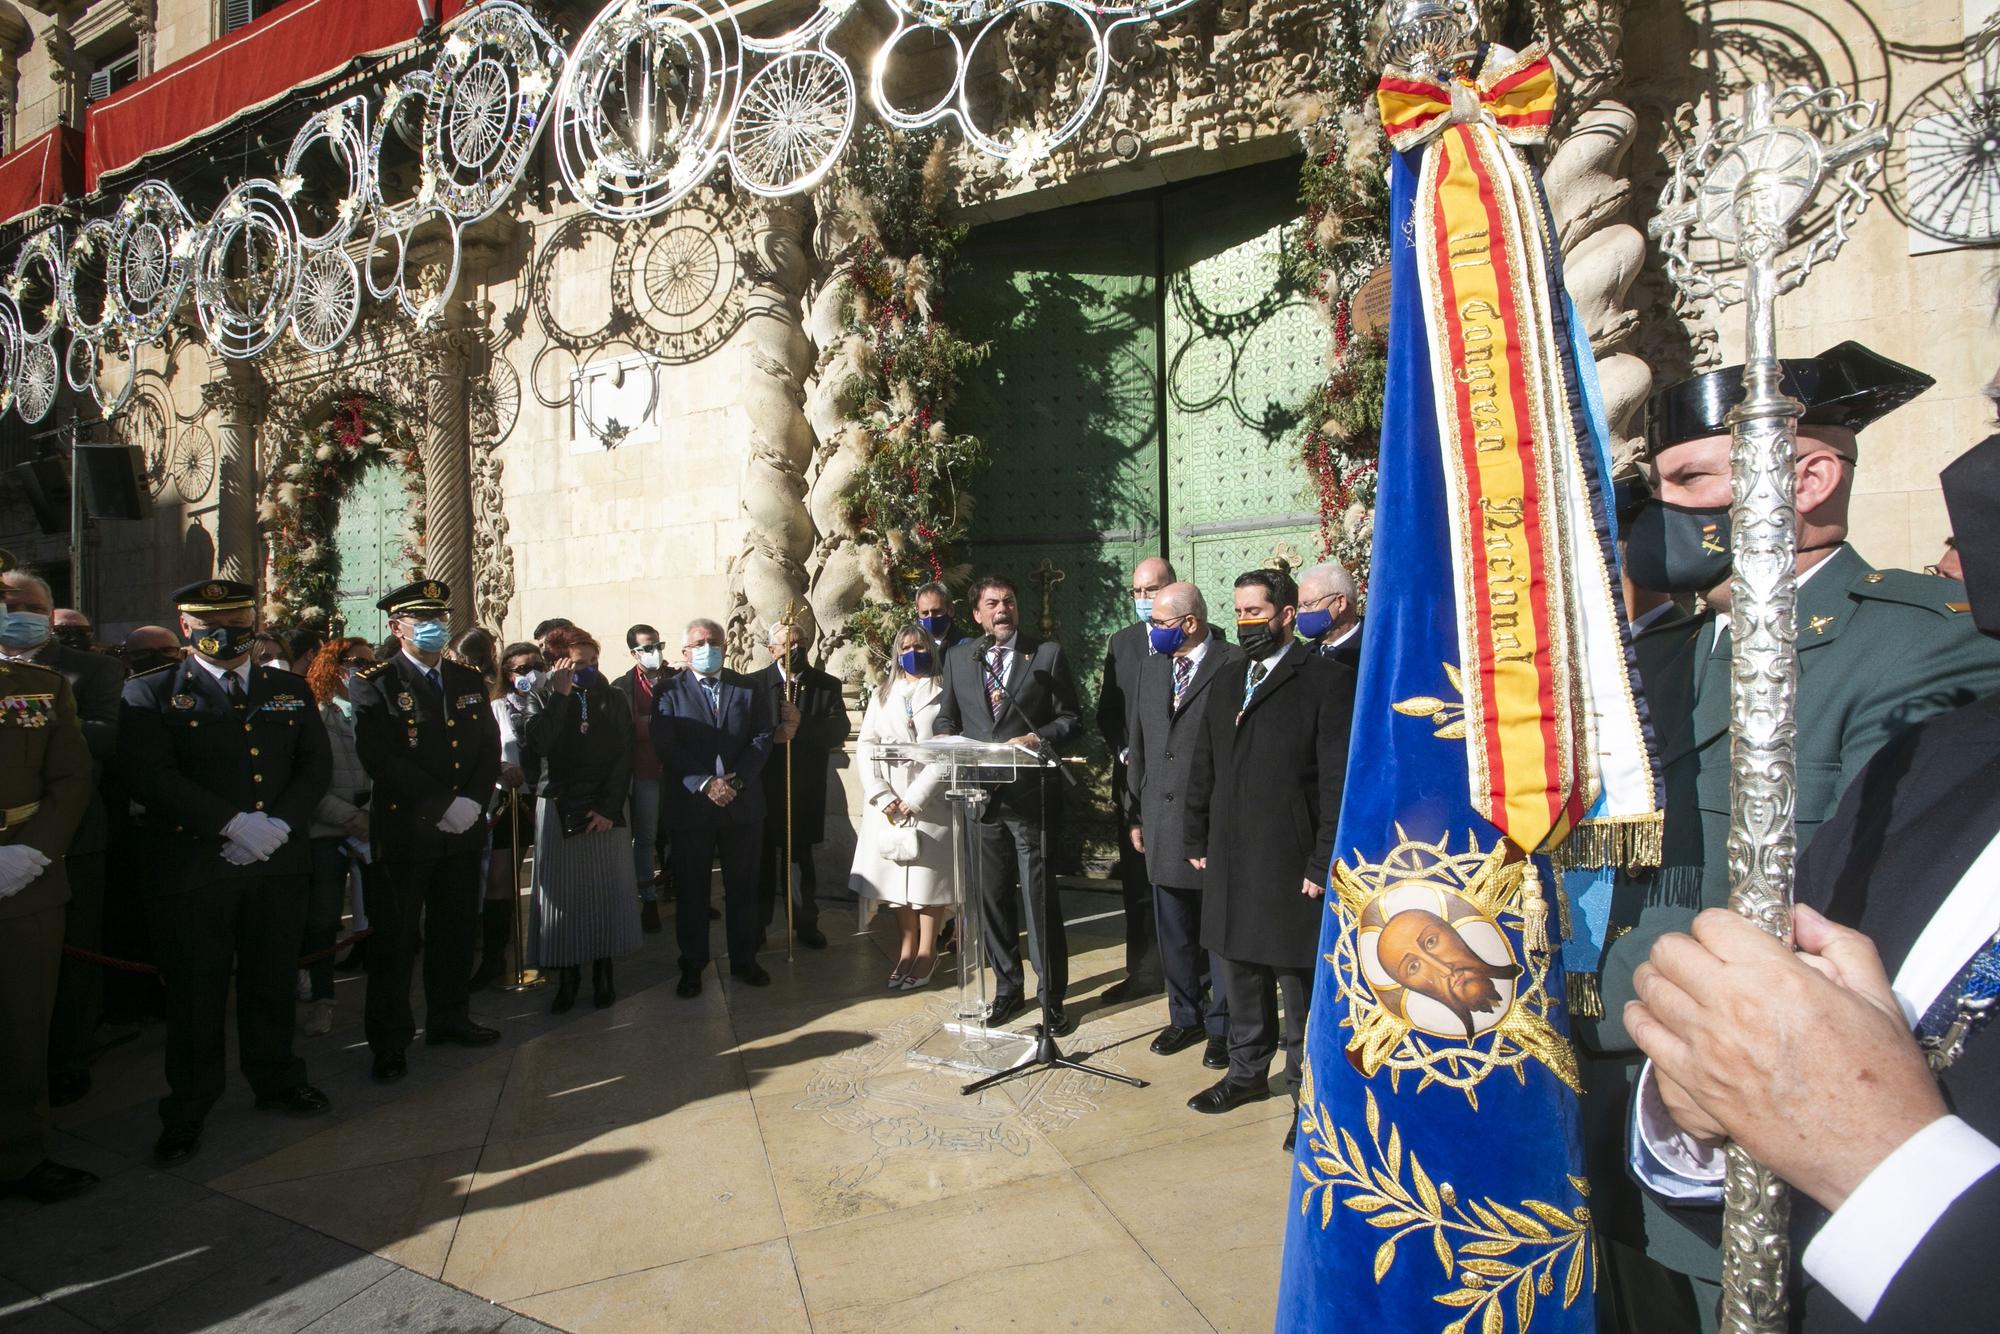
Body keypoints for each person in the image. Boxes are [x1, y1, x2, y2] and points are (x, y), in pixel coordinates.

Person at [1578, 342, 2000, 1328]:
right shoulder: (1662, 652)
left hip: (1754, 1161)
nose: (1662, 515)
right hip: (1607, 1124)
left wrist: (1579, 988)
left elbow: (1831, 913)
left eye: (1688, 480)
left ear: (1806, 477)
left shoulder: (1918, 646)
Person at [118, 578, 333, 1165]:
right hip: (196, 866)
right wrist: (233, 826)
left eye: (238, 619)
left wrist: (279, 826)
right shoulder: (151, 692)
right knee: (196, 992)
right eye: (209, 622)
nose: (225, 632)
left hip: (277, 862)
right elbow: (150, 775)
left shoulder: (286, 687)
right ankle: (188, 1106)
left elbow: (314, 766)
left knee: (272, 979)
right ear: (186, 627)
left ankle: (278, 1079)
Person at [1182, 568, 1353, 1151]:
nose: (1247, 622)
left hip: (1289, 860)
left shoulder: (1324, 681)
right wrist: (1195, 834)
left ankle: (1307, 1094)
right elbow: (1204, 764)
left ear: (1285, 614)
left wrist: (1320, 858)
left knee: (1294, 980)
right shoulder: (1229, 679)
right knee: (1238, 968)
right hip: (1230, 855)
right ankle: (1246, 1072)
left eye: (1258, 611)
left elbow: (1335, 781)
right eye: (1240, 611)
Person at [347, 579, 502, 1086]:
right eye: (422, 622)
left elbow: (486, 745)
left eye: (440, 620)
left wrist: (473, 803)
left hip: (463, 828)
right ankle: (390, 1040)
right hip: (409, 827)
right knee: (395, 939)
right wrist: (440, 804)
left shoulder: (466, 677)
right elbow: (379, 755)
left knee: (455, 929)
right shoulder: (376, 680)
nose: (435, 629)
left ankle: (449, 1017)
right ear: (397, 628)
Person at [934, 574, 1082, 1032]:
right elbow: (947, 715)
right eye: (993, 603)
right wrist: (945, 739)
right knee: (992, 901)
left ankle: (1051, 997)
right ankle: (1006, 990)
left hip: (1030, 797)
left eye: (1010, 601)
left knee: (1038, 901)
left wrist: (1037, 736)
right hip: (981, 799)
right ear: (977, 614)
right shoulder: (960, 657)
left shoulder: (1045, 655)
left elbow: (1071, 719)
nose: (1003, 610)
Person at [2, 566, 122, 1106]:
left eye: (27, 606)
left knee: (72, 957)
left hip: (65, 837)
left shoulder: (81, 673)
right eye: (6, 605)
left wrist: (34, 845)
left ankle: (69, 1056)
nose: (15, 616)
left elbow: (96, 746)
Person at [0, 547, 96, 1203]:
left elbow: (70, 775)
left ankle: (20, 1155)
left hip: (25, 878)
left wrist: (31, 850)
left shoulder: (40, 687)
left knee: (22, 1025)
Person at [1126, 581, 1242, 1065]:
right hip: (1160, 820)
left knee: (1217, 934)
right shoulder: (1153, 667)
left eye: (1160, 622)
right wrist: (1135, 811)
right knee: (1172, 928)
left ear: (1190, 624)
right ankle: (1184, 1018)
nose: (1151, 630)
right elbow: (1140, 740)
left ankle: (1223, 1026)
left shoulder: (1233, 664)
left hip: (1213, 821)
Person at [521, 625, 642, 1012]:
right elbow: (538, 744)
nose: (587, 669)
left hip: (605, 808)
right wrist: (560, 696)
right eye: (577, 663)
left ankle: (603, 972)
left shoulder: (614, 698)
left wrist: (609, 808)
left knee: (605, 892)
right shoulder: (540, 696)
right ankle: (568, 976)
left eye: (592, 662)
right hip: (557, 805)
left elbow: (625, 756)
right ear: (558, 663)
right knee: (566, 896)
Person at [653, 617, 775, 997]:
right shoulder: (668, 690)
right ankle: (692, 963)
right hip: (693, 806)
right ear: (685, 651)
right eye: (700, 642)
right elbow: (667, 744)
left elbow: (761, 737)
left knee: (743, 886)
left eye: (714, 641)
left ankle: (744, 957)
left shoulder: (747, 687)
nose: (708, 648)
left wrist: (736, 782)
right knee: (692, 890)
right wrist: (706, 783)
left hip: (742, 803)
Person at [851, 624, 954, 987]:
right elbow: (866, 745)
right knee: (896, 882)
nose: (914, 652)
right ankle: (906, 947)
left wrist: (915, 799)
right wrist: (882, 794)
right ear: (897, 653)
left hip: (931, 801)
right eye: (907, 647)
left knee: (929, 882)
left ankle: (927, 951)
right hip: (889, 803)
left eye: (920, 646)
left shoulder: (945, 690)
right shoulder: (882, 694)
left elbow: (948, 748)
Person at [1097, 556, 1173, 1003]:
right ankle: (1143, 973)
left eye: (1152, 590)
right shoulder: (1121, 643)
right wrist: (1125, 751)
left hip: (1182, 784)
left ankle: (1194, 976)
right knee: (1137, 883)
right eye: (1137, 592)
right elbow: (1107, 710)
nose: (1144, 600)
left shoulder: (1206, 637)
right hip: (1133, 783)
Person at [754, 621, 849, 953]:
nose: (795, 648)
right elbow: (744, 733)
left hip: (804, 788)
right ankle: (758, 924)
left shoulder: (826, 685)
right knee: (762, 862)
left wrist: (801, 724)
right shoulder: (753, 685)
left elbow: (838, 730)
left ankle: (806, 921)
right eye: (787, 643)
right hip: (763, 788)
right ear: (772, 650)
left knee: (799, 861)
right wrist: (775, 734)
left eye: (801, 642)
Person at [299, 638, 376, 1037]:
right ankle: (320, 997)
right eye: (356, 662)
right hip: (327, 829)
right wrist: (349, 817)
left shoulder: (376, 711)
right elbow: (308, 780)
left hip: (372, 823)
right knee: (323, 918)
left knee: (381, 913)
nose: (365, 667)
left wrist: (371, 814)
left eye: (370, 661)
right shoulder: (316, 714)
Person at [472, 641, 544, 989]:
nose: (529, 674)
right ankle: (493, 957)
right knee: (501, 878)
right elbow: (485, 749)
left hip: (548, 798)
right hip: (512, 799)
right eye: (520, 669)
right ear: (507, 674)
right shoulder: (496, 707)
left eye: (535, 665)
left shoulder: (556, 700)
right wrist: (501, 767)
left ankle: (552, 949)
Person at [614, 623, 672, 933]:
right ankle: (648, 898)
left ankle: (684, 889)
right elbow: (627, 731)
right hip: (645, 771)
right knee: (646, 836)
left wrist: (649, 724)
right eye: (648, 648)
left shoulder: (677, 678)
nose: (655, 652)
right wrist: (657, 724)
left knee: (682, 832)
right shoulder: (622, 686)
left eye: (658, 645)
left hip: (679, 771)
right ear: (634, 653)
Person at [1295, 560, 1362, 669]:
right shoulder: (1301, 657)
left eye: (1309, 604)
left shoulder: (1375, 650)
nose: (1301, 613)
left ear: (1340, 603)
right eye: (1299, 606)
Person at [914, 581, 968, 650]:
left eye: (936, 611)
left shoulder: (966, 647)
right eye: (925, 613)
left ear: (950, 610)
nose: (930, 618)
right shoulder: (914, 649)